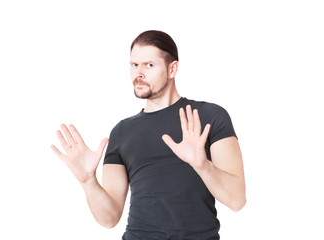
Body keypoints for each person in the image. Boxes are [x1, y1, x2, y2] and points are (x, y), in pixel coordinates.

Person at [51, 30, 246, 240]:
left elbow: (237, 200)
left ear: (172, 69)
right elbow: (109, 218)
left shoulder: (209, 116)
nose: (139, 73)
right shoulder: (121, 132)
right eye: (134, 65)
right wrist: (88, 181)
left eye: (149, 65)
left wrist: (203, 166)